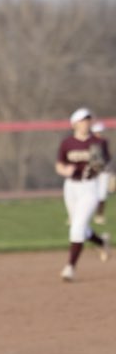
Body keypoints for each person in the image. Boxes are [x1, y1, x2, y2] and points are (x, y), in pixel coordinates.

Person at [56, 107, 110, 282]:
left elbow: (105, 164)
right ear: (74, 124)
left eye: (88, 120)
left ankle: (70, 267)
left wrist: (99, 165)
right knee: (81, 226)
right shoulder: (67, 143)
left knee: (77, 227)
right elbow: (60, 165)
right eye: (82, 120)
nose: (85, 123)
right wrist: (66, 171)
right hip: (71, 187)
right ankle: (101, 242)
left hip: (89, 186)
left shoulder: (98, 142)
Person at [90, 120, 111, 225]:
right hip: (92, 172)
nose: (99, 134)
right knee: (90, 193)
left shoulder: (104, 142)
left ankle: (99, 215)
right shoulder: (89, 142)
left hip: (103, 171)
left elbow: (107, 157)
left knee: (102, 193)